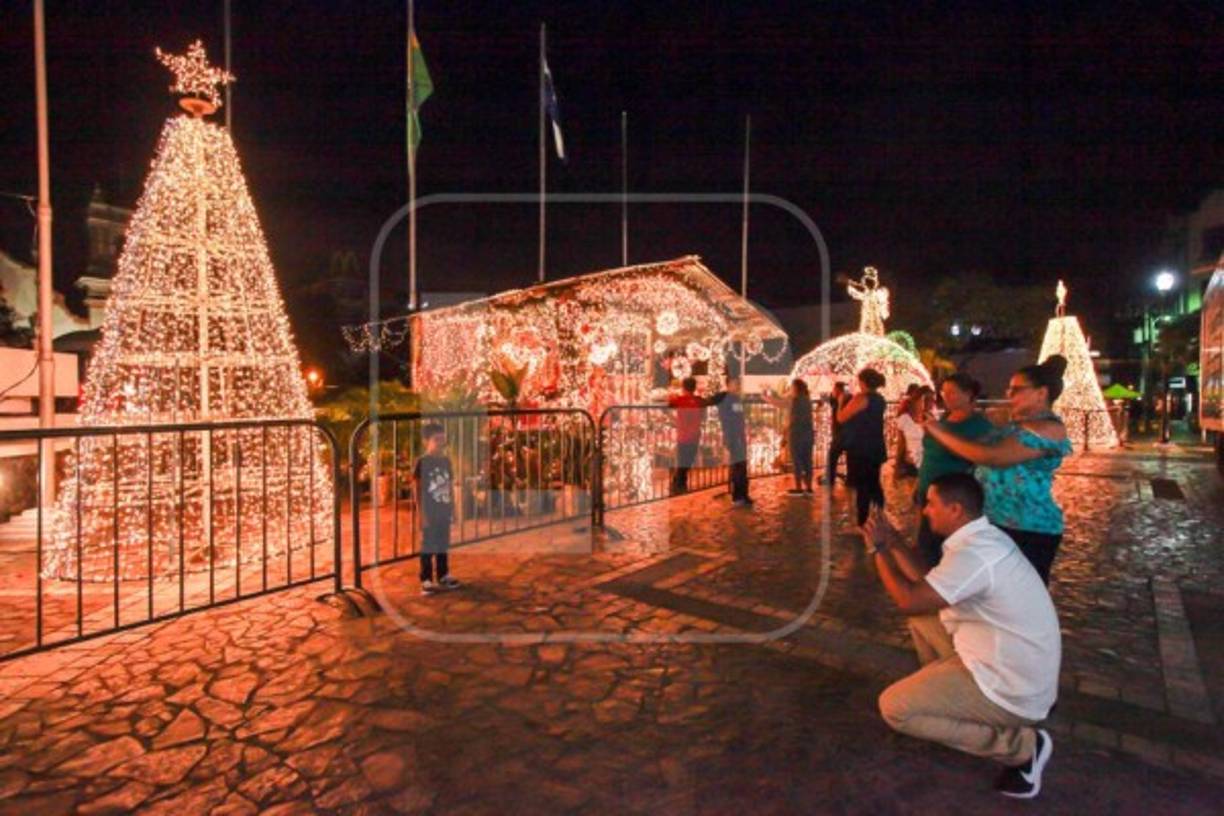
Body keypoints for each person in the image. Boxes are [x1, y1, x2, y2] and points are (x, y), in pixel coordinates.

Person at [868, 473, 1060, 800]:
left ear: (955, 509)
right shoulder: (981, 540)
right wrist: (894, 543)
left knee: (894, 707)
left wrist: (878, 552)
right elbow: (928, 586)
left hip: (1012, 687)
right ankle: (947, 698)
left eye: (930, 504)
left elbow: (908, 599)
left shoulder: (975, 555)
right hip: (1011, 666)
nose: (924, 510)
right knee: (923, 619)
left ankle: (1022, 748)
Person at [923, 356, 1073, 583]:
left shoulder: (1049, 428)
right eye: (1009, 389)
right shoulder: (1017, 424)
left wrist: (938, 431)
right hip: (998, 520)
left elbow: (992, 457)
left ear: (1041, 393)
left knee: (1018, 593)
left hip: (1027, 525)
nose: (1008, 395)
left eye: (1016, 390)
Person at [914, 374, 995, 568]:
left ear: (968, 395)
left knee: (940, 549)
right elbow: (930, 455)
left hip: (951, 497)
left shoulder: (981, 426)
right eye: (944, 392)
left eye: (952, 392)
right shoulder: (944, 419)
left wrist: (938, 432)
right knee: (925, 542)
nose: (946, 397)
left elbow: (978, 457)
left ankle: (939, 590)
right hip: (929, 489)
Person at [413, 423, 461, 595]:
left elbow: (448, 486)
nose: (441, 442)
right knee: (428, 544)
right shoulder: (422, 462)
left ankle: (443, 574)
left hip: (443, 510)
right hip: (430, 511)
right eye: (436, 439)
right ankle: (426, 579)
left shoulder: (446, 461)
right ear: (427, 441)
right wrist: (421, 514)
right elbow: (417, 490)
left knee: (443, 543)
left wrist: (453, 509)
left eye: (442, 438)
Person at [838, 368, 887, 525]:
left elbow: (841, 417)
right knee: (873, 480)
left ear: (863, 382)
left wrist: (840, 402)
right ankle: (879, 511)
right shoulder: (880, 399)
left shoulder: (861, 398)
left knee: (862, 485)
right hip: (875, 444)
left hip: (860, 446)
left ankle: (862, 520)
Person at [707, 375, 752, 506]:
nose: (737, 386)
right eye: (734, 383)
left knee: (741, 465)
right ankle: (738, 496)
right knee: (739, 465)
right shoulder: (725, 397)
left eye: (738, 383)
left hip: (737, 435)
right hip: (733, 435)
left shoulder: (734, 398)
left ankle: (742, 494)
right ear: (728, 384)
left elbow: (739, 417)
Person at [767, 378, 815, 496]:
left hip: (796, 433)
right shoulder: (807, 400)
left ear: (796, 388)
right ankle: (809, 488)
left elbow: (783, 408)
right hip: (808, 433)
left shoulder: (794, 400)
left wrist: (765, 397)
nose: (790, 389)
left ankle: (798, 488)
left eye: (792, 387)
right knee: (807, 460)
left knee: (797, 460)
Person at [668, 376, 705, 495]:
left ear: (683, 387)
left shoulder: (680, 400)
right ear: (694, 387)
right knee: (687, 462)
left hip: (683, 436)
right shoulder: (699, 400)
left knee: (682, 462)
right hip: (694, 436)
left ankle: (678, 485)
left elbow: (669, 403)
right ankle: (679, 485)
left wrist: (673, 419)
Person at [894, 385, 932, 478]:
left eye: (931, 400)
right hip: (911, 463)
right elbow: (901, 444)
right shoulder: (905, 419)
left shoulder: (931, 419)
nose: (929, 404)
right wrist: (898, 466)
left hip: (928, 463)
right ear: (916, 400)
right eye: (926, 400)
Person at [821, 382, 849, 486]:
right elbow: (825, 397)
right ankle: (849, 479)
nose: (833, 391)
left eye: (834, 389)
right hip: (843, 434)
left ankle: (830, 479)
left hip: (840, 434)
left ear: (838, 390)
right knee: (846, 457)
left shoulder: (842, 401)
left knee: (832, 456)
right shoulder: (838, 400)